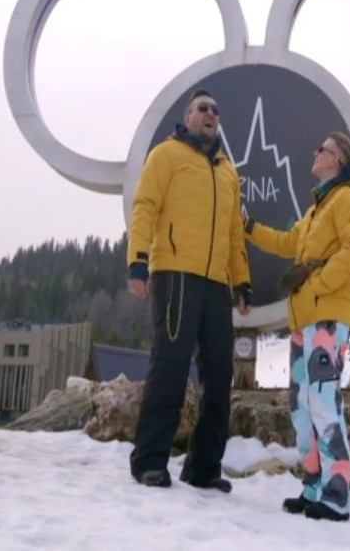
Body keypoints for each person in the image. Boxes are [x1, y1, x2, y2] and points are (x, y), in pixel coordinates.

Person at [126, 88, 253, 491]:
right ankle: (149, 460)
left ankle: (203, 467)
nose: (211, 114)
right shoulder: (166, 155)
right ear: (188, 116)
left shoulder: (227, 170)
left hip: (217, 282)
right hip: (176, 274)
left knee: (220, 373)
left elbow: (235, 233)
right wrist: (138, 261)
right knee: (171, 366)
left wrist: (242, 280)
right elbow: (145, 206)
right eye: (203, 108)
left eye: (216, 109)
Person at [242, 130, 350, 522]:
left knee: (323, 402)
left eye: (323, 149)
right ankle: (314, 485)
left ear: (337, 160)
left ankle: (337, 495)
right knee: (301, 405)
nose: (315, 153)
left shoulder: (346, 198)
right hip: (305, 319)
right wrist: (249, 228)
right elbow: (286, 242)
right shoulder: (317, 209)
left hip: (327, 317)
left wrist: (318, 285)